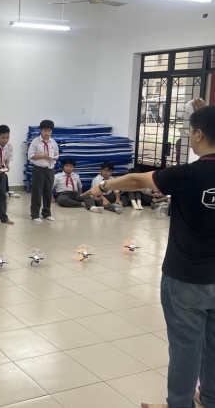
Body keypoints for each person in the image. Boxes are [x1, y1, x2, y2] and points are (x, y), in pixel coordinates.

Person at [85, 102, 215, 408]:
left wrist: (103, 185)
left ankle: (180, 404)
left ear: (198, 134)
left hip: (187, 277)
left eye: (189, 131)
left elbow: (136, 180)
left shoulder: (188, 174)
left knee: (185, 347)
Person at [27, 119, 59, 223]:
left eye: (49, 131)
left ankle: (46, 213)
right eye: (45, 130)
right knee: (37, 191)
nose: (47, 133)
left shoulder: (53, 142)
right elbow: (30, 156)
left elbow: (57, 154)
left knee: (48, 191)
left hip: (50, 169)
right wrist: (43, 156)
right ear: (41, 130)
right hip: (39, 168)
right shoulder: (35, 142)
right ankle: (35, 214)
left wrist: (54, 157)